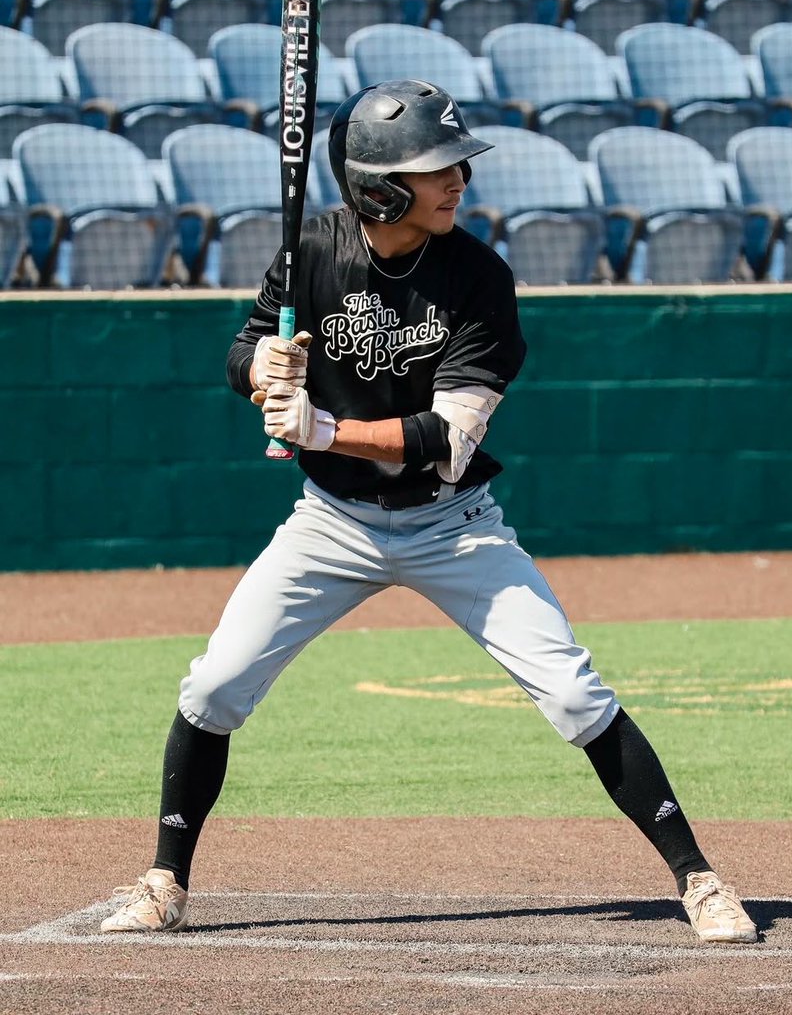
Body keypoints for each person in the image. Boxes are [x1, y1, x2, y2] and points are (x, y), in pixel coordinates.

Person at [98, 79, 757, 946]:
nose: (458, 180)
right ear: (377, 189)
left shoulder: (479, 278)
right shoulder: (309, 251)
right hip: (332, 523)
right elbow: (244, 345)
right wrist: (266, 370)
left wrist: (322, 425)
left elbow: (446, 437)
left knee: (571, 691)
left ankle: (699, 879)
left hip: (455, 524)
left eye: (455, 164)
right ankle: (163, 882)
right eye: (436, 168)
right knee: (215, 685)